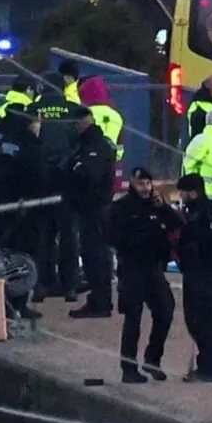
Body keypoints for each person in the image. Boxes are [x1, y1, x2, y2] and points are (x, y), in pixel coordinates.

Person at [108, 167, 181, 383]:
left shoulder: (156, 206)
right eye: (141, 184)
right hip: (131, 268)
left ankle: (152, 358)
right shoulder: (122, 207)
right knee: (133, 317)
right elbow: (112, 236)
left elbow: (178, 225)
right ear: (132, 183)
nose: (146, 188)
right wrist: (136, 242)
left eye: (149, 184)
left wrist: (165, 208)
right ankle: (128, 368)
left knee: (165, 309)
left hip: (152, 268)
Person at [0, 103, 44, 319]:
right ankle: (17, 303)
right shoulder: (29, 144)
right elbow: (37, 176)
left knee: (4, 253)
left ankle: (4, 301)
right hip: (21, 209)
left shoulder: (1, 140)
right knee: (23, 257)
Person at [29, 71, 82, 302]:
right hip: (67, 179)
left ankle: (42, 284)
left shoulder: (33, 110)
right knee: (68, 234)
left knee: (43, 234)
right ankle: (69, 286)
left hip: (40, 179)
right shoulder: (73, 110)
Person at [176, 172, 212, 383]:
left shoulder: (211, 212)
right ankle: (205, 362)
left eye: (183, 192)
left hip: (207, 274)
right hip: (193, 273)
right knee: (193, 320)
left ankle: (210, 367)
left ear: (193, 192)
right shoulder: (191, 212)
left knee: (206, 321)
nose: (181, 196)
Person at [65, 105, 117, 318]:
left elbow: (90, 175)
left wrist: (74, 167)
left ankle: (101, 302)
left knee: (96, 256)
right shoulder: (89, 144)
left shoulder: (95, 146)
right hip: (91, 207)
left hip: (95, 208)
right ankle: (99, 299)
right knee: (93, 255)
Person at [80, 76, 125, 193]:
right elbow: (120, 142)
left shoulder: (85, 113)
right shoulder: (116, 115)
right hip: (111, 162)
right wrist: (117, 158)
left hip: (89, 163)